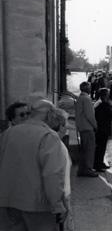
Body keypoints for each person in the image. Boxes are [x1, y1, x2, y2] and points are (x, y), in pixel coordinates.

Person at [0, 99, 70, 231]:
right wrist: (58, 205)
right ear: (50, 115)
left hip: (7, 202)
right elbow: (52, 174)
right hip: (37, 206)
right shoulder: (48, 136)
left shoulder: (7, 134)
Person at [94, 88, 112, 172]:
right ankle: (98, 165)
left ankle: (100, 163)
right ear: (105, 95)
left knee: (100, 147)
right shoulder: (103, 104)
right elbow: (111, 114)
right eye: (107, 94)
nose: (109, 95)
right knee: (101, 148)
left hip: (100, 128)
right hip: (102, 129)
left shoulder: (99, 103)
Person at [75, 81, 98, 177]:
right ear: (86, 88)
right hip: (87, 128)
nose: (90, 88)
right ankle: (88, 169)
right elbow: (90, 115)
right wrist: (95, 126)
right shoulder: (86, 99)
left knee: (84, 150)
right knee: (89, 150)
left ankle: (82, 169)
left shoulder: (80, 98)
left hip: (82, 127)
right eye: (89, 87)